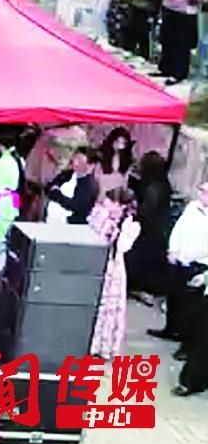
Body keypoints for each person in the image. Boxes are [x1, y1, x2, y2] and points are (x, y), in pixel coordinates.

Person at [150, 180, 208, 351]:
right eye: (201, 191)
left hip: (199, 264)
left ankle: (185, 342)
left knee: (191, 307)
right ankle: (171, 329)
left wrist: (189, 256)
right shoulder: (192, 208)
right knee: (174, 298)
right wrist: (173, 249)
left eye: (205, 192)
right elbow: (178, 229)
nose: (201, 195)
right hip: (179, 260)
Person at [88, 188, 140, 357]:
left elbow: (123, 247)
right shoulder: (101, 216)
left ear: (120, 205)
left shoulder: (131, 225)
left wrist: (118, 229)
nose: (105, 204)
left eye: (110, 202)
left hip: (113, 267)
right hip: (96, 262)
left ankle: (103, 346)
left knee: (108, 308)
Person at [129, 150, 174, 296]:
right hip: (158, 228)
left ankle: (140, 286)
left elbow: (147, 211)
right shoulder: (161, 183)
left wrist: (134, 213)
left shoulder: (153, 187)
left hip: (150, 230)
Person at [45, 149, 99, 225]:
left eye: (79, 160)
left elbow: (77, 206)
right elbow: (49, 187)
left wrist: (58, 196)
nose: (75, 163)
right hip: (51, 219)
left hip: (69, 224)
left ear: (90, 165)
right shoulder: (67, 174)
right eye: (75, 159)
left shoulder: (89, 184)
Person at [96, 127, 136, 197]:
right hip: (102, 191)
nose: (119, 145)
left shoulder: (126, 158)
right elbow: (98, 177)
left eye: (123, 143)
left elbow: (125, 180)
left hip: (118, 192)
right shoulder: (102, 156)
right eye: (117, 142)